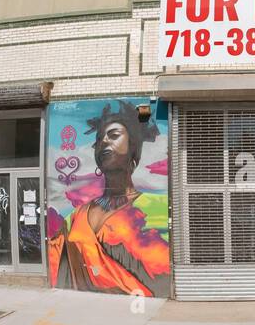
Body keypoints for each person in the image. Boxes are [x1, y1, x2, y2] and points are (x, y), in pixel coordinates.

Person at [51, 100, 169, 296]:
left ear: (133, 149)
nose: (104, 141)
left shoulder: (157, 207)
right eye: (99, 139)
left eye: (114, 135)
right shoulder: (75, 217)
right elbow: (57, 264)